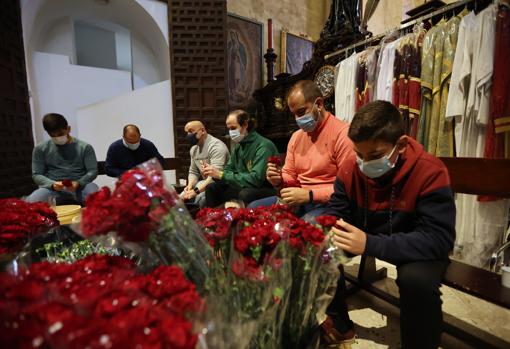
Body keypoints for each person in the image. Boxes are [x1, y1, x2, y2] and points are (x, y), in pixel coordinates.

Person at [322, 101, 455, 349]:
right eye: (359, 154)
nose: (364, 163)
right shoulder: (350, 168)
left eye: (375, 156)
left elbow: (439, 239)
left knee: (416, 281)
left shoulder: (430, 171)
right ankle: (340, 326)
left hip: (413, 241)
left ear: (401, 145)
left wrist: (370, 243)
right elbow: (335, 210)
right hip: (368, 233)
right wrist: (328, 228)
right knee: (321, 254)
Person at [248, 80, 353, 217]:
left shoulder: (343, 134)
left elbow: (348, 187)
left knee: (304, 226)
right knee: (251, 211)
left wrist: (310, 195)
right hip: (298, 199)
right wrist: (279, 180)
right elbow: (289, 173)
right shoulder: (296, 137)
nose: (298, 119)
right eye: (294, 114)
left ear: (319, 104)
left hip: (329, 203)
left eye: (301, 112)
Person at [202, 109, 278, 207]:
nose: (230, 132)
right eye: (229, 129)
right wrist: (214, 174)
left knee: (245, 194)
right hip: (244, 186)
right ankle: (214, 220)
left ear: (245, 125)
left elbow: (256, 179)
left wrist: (221, 175)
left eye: (233, 128)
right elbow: (228, 170)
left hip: (264, 188)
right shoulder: (239, 147)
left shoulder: (263, 145)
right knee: (212, 188)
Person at [27, 113, 99, 205]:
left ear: (68, 129)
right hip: (52, 189)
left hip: (81, 187)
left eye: (60, 134)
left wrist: (79, 183)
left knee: (96, 196)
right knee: (33, 201)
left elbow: (92, 171)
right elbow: (36, 175)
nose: (57, 138)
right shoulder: (40, 149)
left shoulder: (85, 147)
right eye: (53, 135)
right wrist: (52, 184)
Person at [181, 120, 230, 208]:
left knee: (199, 200)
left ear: (202, 131)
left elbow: (215, 176)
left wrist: (195, 191)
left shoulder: (216, 147)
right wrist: (190, 186)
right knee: (181, 197)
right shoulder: (193, 149)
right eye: (187, 132)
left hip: (220, 184)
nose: (188, 135)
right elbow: (193, 172)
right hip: (205, 183)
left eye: (191, 131)